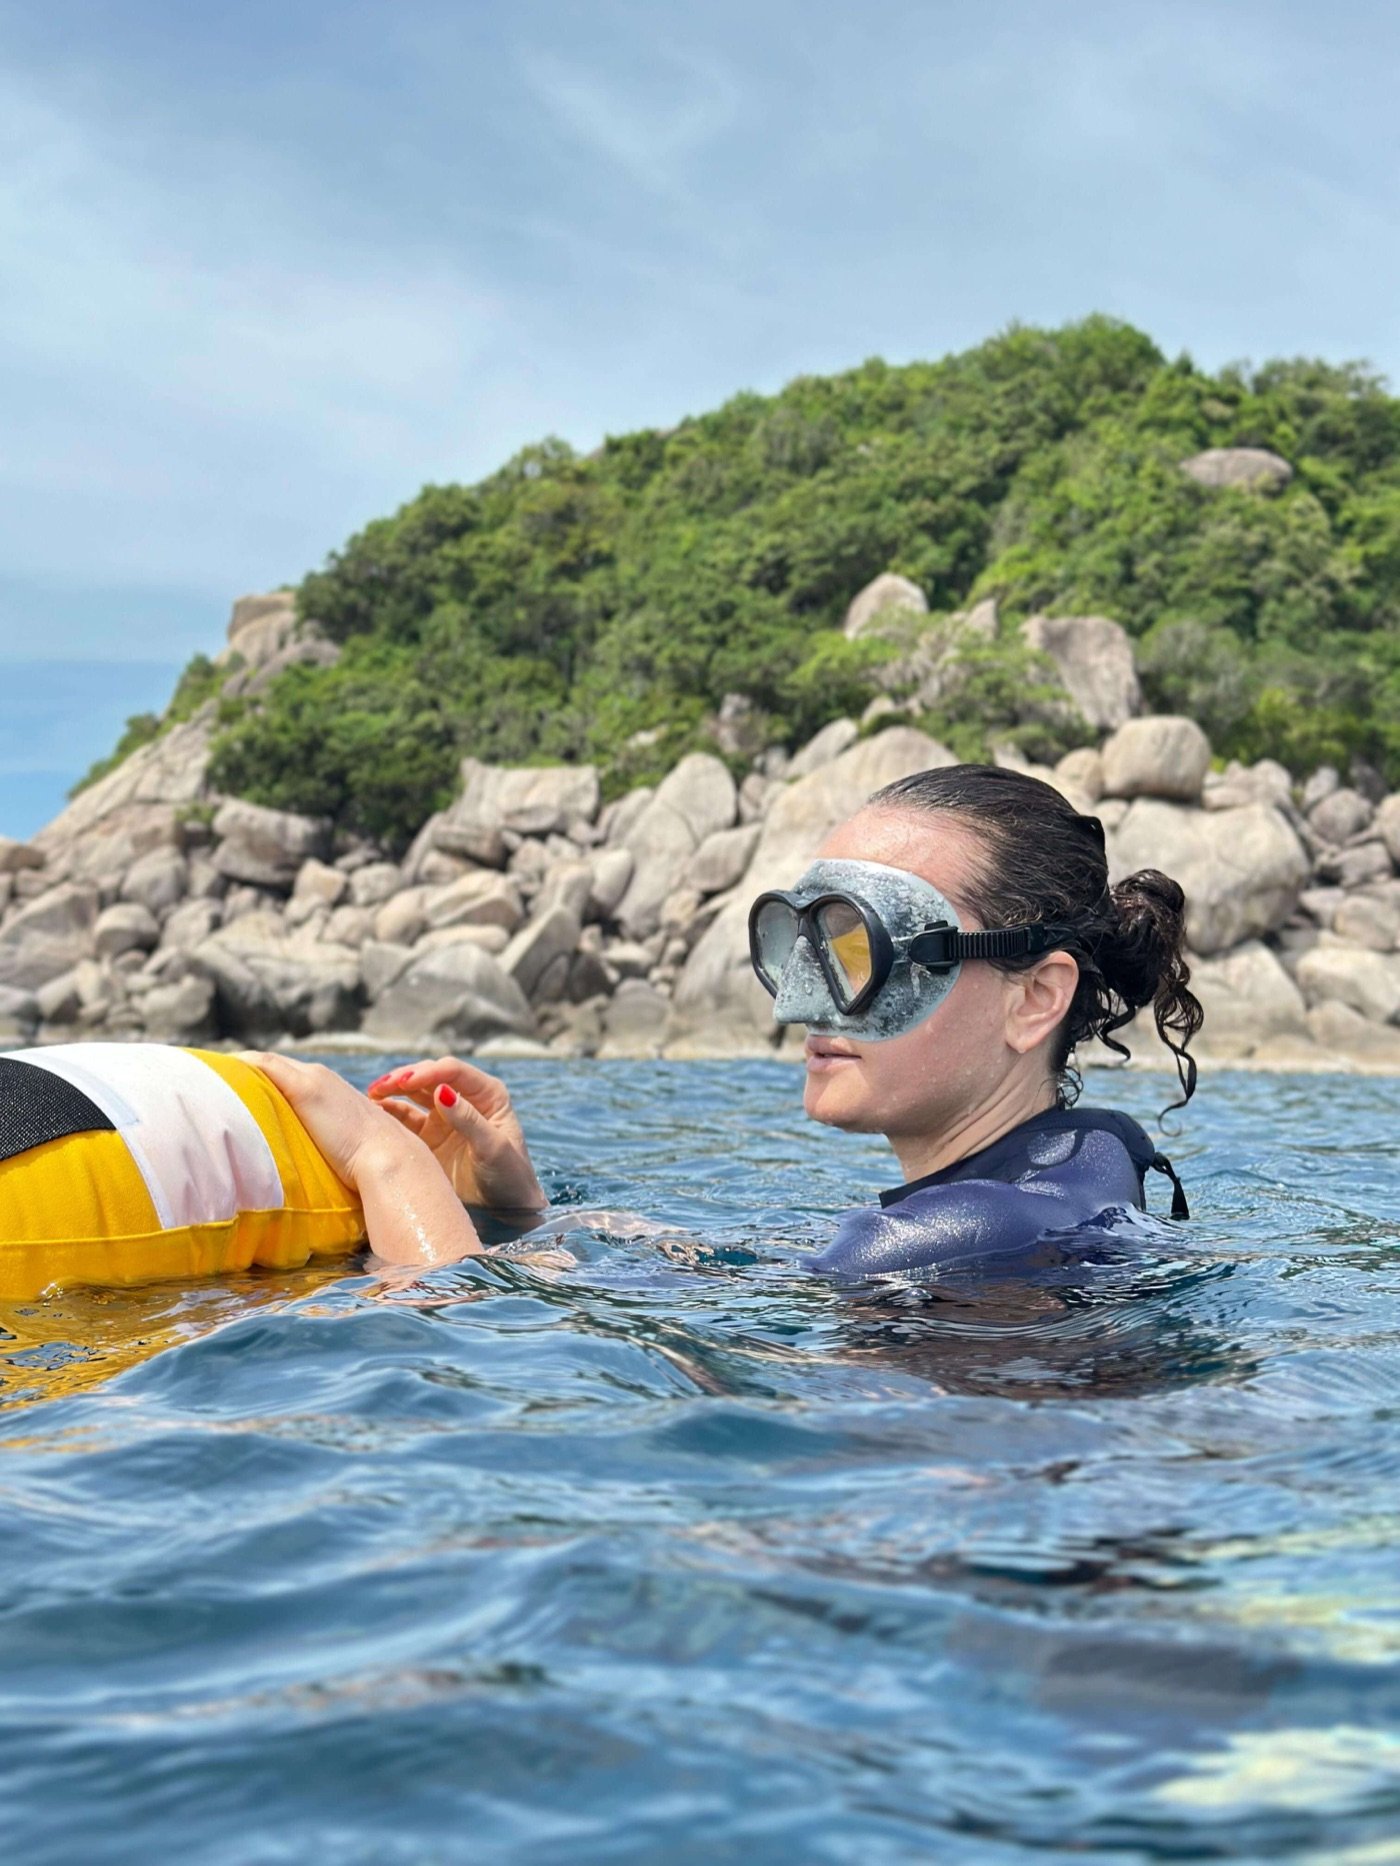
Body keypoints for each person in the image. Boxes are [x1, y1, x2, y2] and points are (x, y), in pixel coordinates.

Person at [252, 763, 1203, 1280]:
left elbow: (455, 1330)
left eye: (861, 947)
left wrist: (386, 1162)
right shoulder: (1069, 1184)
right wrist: (516, 1213)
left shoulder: (952, 1237)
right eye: (801, 941)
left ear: (1034, 997)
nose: (802, 1004)